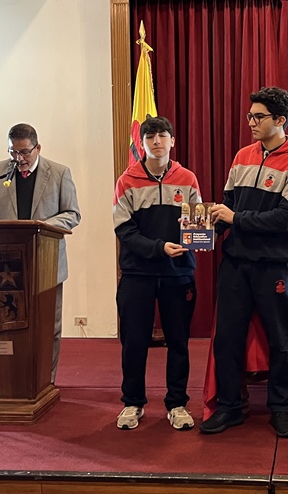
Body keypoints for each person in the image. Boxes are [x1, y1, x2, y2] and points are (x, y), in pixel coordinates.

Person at [200, 87, 288, 438]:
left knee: (279, 341)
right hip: (235, 263)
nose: (250, 122)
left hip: (274, 265)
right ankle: (230, 407)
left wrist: (234, 218)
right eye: (250, 116)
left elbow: (284, 220)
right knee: (227, 339)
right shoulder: (242, 157)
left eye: (258, 116)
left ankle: (280, 408)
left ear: (280, 120)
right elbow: (226, 206)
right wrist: (200, 230)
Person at [113, 115, 202, 431]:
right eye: (150, 137)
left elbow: (197, 224)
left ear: (172, 141)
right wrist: (159, 247)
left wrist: (198, 238)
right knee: (134, 342)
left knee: (178, 342)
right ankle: (133, 403)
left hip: (178, 274)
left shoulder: (188, 178)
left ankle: (177, 404)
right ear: (142, 143)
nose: (156, 141)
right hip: (137, 274)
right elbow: (124, 229)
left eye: (162, 135)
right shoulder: (127, 180)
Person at [0, 123, 81, 384]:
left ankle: (45, 380)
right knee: (8, 322)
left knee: (48, 326)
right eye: (13, 152)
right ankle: (12, 380)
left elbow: (72, 214)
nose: (19, 158)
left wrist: (41, 227)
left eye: (24, 152)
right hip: (6, 263)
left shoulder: (59, 173)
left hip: (46, 259)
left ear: (38, 148)